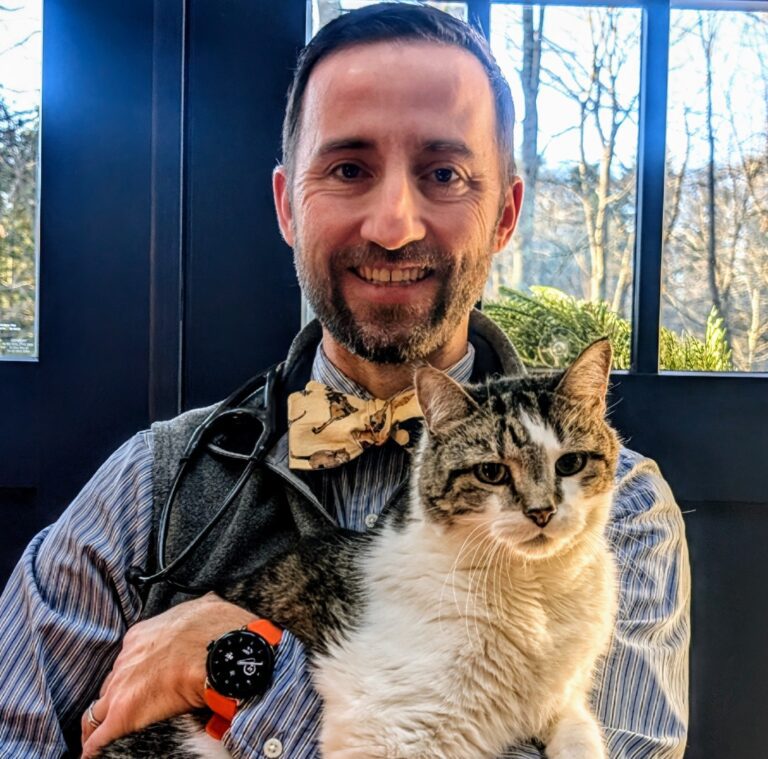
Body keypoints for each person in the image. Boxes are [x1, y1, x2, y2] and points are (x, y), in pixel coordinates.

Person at [0, 4, 690, 758]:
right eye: (349, 169)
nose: (393, 225)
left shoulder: (622, 512)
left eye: (445, 173)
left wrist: (239, 659)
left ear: (505, 214)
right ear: (287, 207)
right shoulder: (147, 489)